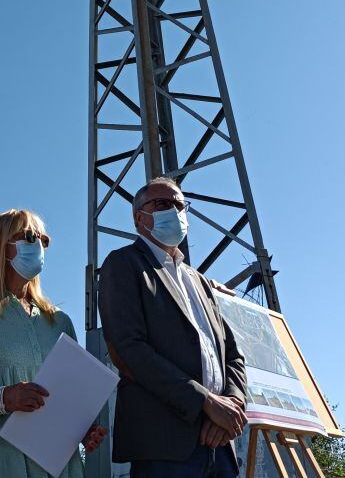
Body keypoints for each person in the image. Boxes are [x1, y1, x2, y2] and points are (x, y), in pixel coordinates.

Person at [0, 209, 106, 478]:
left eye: (43, 240)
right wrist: (4, 398)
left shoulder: (59, 322)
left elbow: (65, 397)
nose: (38, 245)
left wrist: (81, 428)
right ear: (0, 247)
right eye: (28, 236)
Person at [99, 177, 247, 478]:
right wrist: (205, 402)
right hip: (165, 447)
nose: (175, 211)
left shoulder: (200, 281)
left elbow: (232, 354)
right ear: (139, 217)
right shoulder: (124, 264)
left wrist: (231, 404)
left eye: (181, 205)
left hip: (219, 445)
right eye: (163, 204)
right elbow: (129, 348)